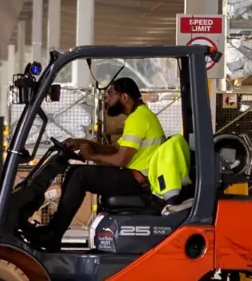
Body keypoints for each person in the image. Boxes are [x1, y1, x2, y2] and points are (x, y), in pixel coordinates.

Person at [33, 77, 167, 247]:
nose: (107, 99)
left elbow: (120, 160)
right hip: (135, 176)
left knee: (80, 176)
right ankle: (52, 230)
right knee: (76, 173)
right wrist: (82, 142)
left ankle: (53, 235)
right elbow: (113, 149)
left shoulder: (138, 119)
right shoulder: (140, 116)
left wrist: (91, 157)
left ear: (124, 97)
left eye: (110, 94)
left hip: (137, 180)